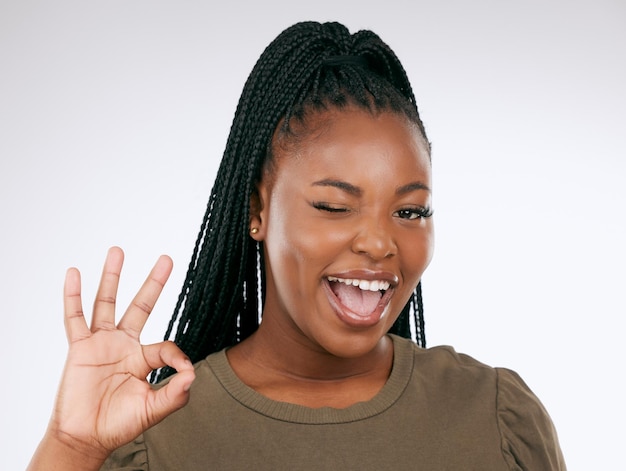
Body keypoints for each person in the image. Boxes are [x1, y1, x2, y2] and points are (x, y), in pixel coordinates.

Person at [28, 21, 566, 470]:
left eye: (410, 211)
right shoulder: (158, 435)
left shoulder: (493, 419)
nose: (380, 242)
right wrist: (71, 446)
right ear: (257, 211)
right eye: (334, 207)